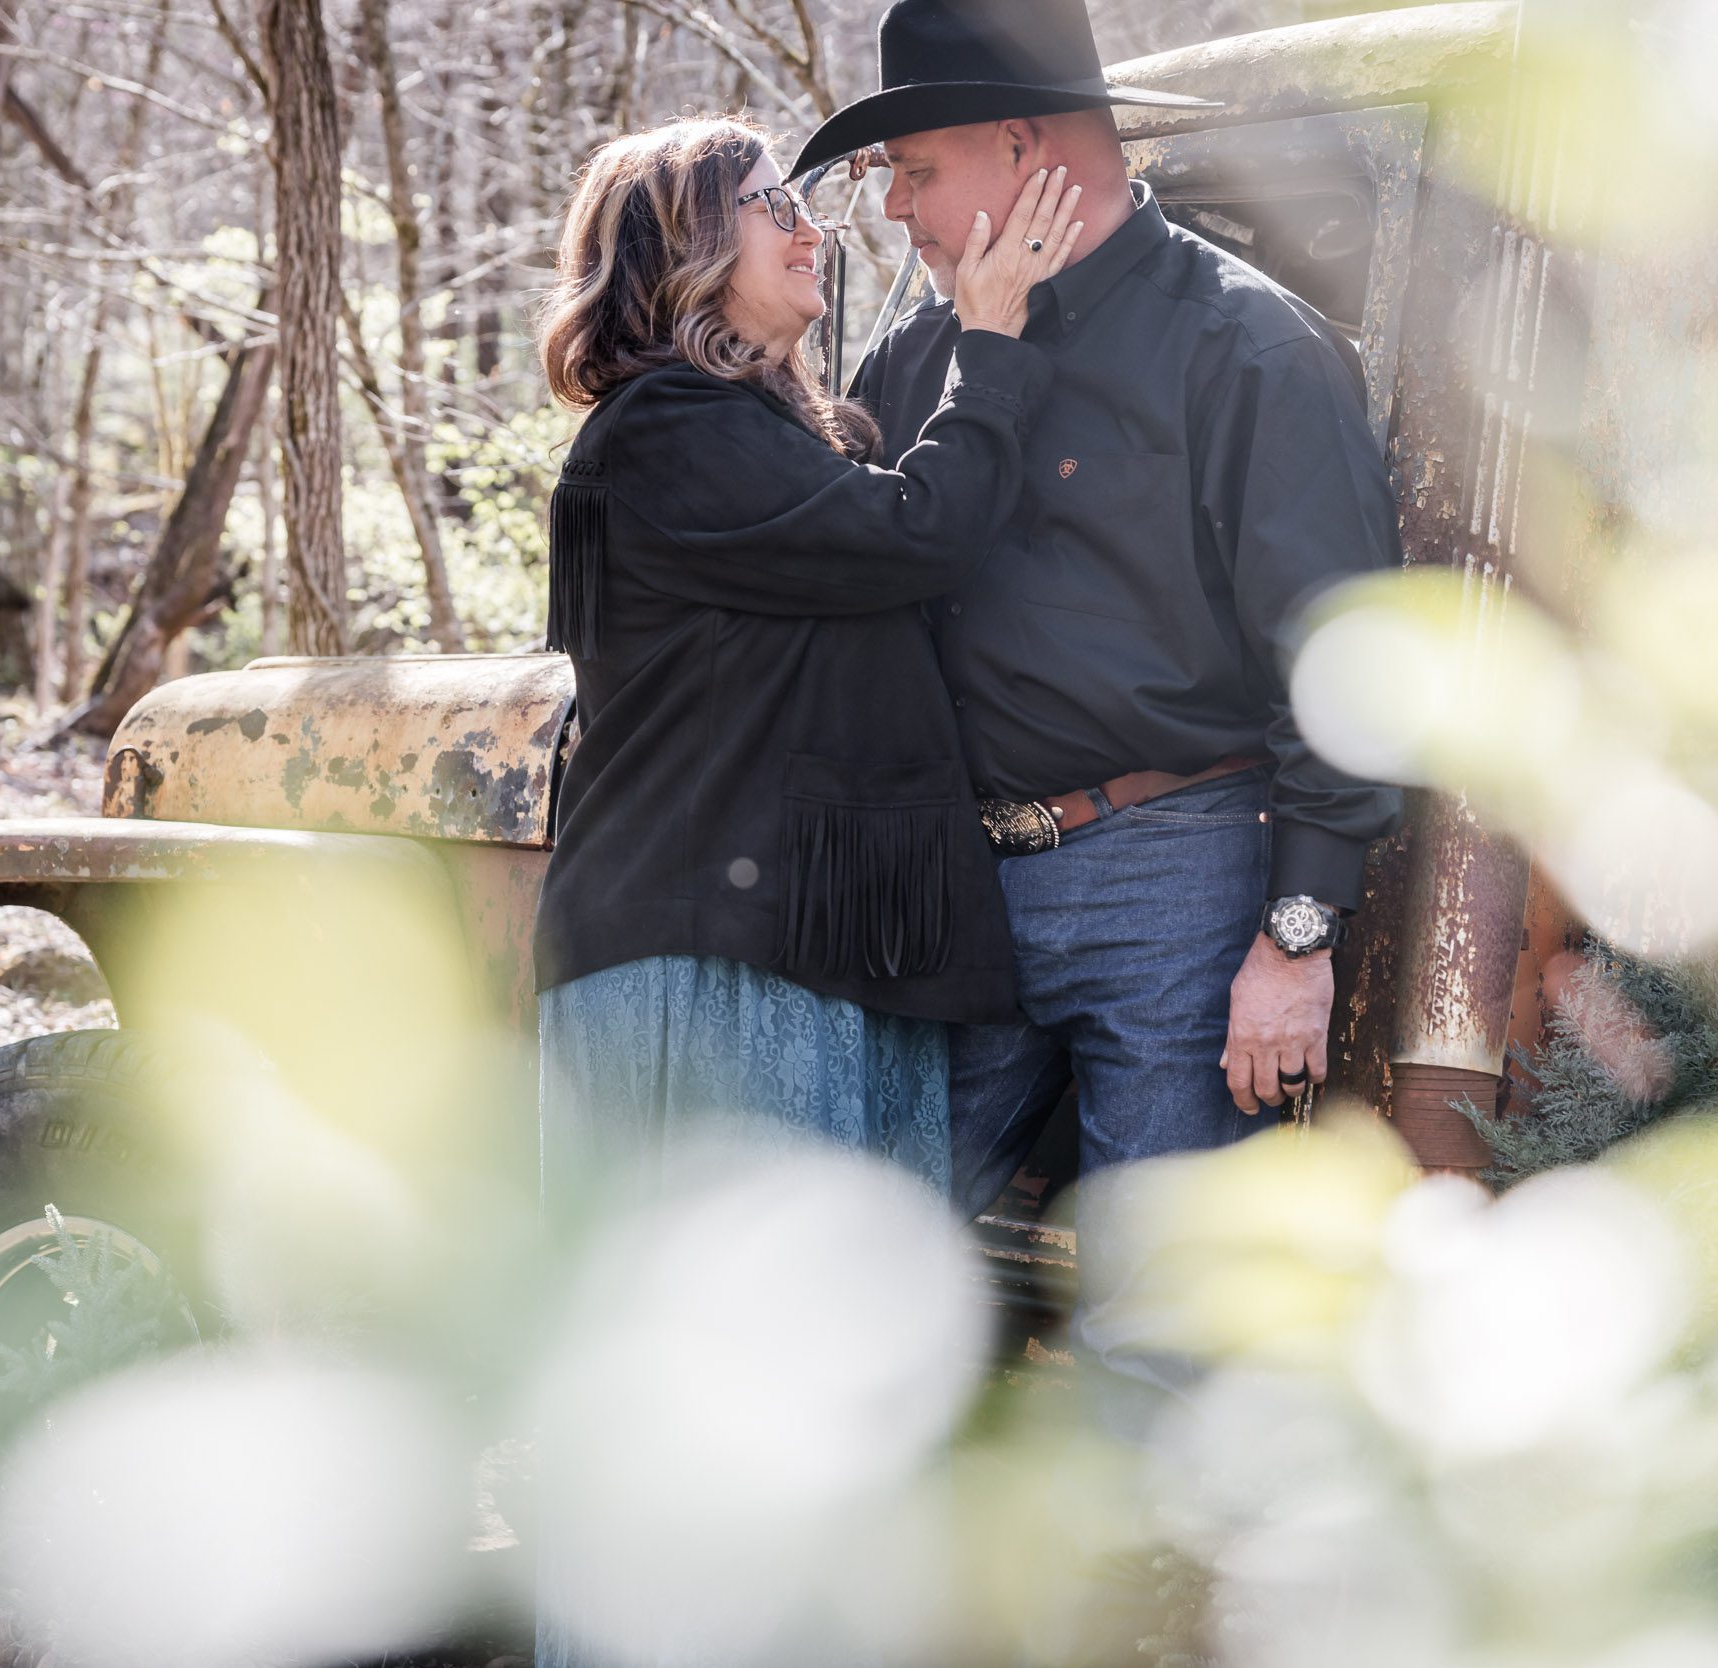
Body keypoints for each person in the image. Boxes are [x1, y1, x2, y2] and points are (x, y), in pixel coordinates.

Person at [791, 0, 1408, 1402]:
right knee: (862, 1251)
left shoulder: (1249, 348)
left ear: (1023, 147)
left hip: (1177, 876)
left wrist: (1296, 935)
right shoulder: (914, 362)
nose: (893, 211)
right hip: (952, 881)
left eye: (918, 169)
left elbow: (1348, 658)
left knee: (1158, 1321)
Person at [529, 114, 1082, 1212]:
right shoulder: (666, 429)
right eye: (774, 206)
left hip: (785, 941)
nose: (811, 230)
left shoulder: (748, 433)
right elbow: (917, 535)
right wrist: (990, 348)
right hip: (712, 958)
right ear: (686, 247)